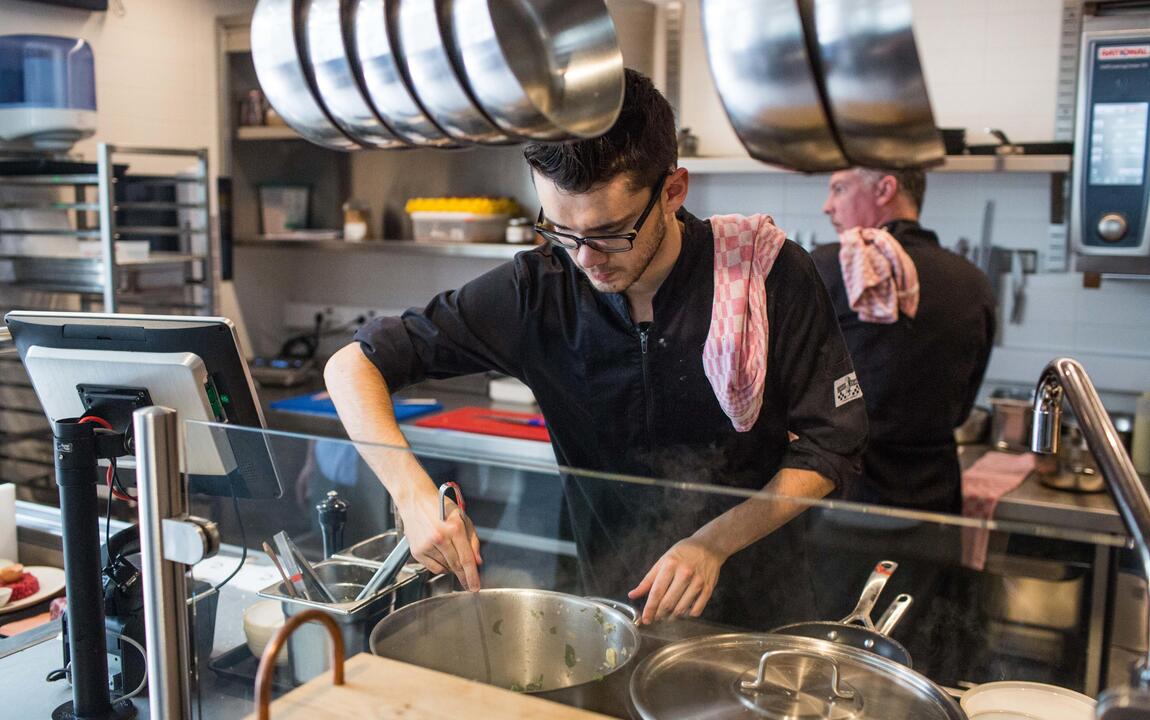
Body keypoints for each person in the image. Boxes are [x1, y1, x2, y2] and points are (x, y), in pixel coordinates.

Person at [324, 69, 867, 629]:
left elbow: (832, 445)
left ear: (673, 192)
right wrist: (412, 495)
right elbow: (352, 365)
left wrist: (711, 545)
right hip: (610, 612)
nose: (585, 258)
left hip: (759, 613)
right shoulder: (538, 290)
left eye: (609, 232)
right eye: (560, 230)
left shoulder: (767, 276)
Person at [813, 167, 995, 514]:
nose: (827, 205)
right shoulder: (973, 281)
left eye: (839, 189)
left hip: (841, 499)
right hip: (934, 497)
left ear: (885, 189)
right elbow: (964, 404)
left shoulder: (828, 266)